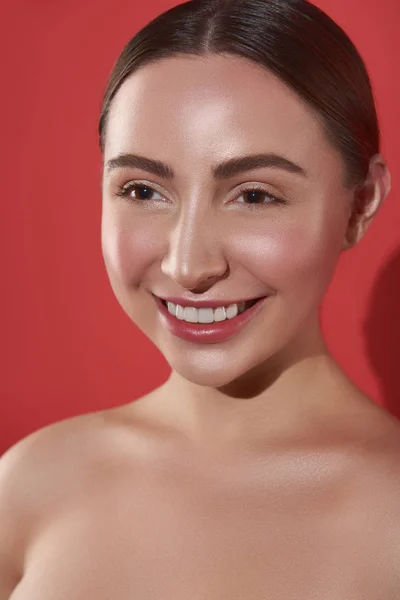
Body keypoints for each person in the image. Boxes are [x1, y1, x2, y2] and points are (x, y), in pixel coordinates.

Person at [1, 0, 398, 597]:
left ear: (360, 203)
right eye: (141, 189)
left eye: (256, 196)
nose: (189, 266)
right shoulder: (28, 486)